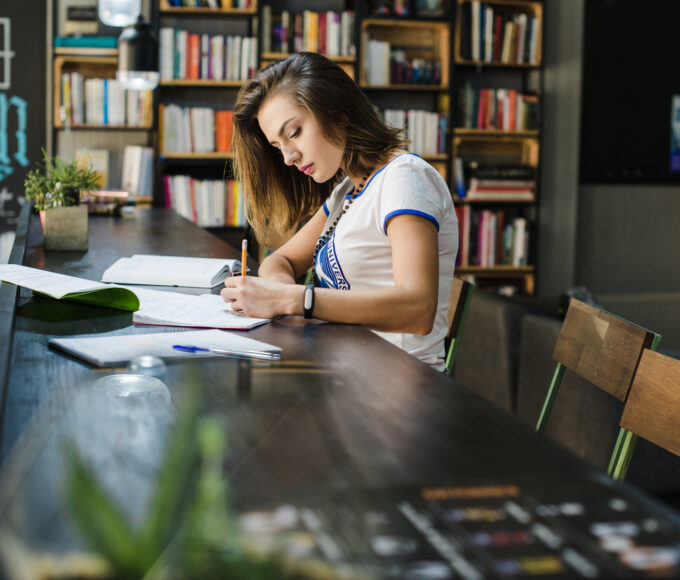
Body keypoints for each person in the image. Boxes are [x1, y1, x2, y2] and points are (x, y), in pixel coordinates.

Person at [221, 52, 458, 371]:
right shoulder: (347, 191)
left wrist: (292, 300)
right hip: (346, 371)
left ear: (338, 112)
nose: (288, 157)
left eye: (294, 133)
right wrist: (281, 290)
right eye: (277, 147)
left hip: (402, 386)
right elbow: (280, 260)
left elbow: (418, 309)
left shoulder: (405, 178)